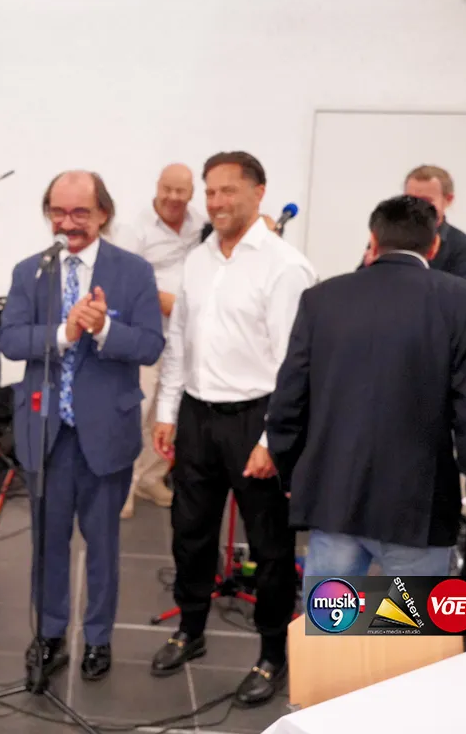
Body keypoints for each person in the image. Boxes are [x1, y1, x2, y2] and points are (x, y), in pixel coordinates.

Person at [150, 151, 315, 707]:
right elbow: (180, 340)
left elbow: (295, 365)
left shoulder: (285, 267)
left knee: (270, 547)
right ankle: (190, 629)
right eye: (211, 191)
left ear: (258, 193)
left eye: (228, 191)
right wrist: (168, 411)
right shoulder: (198, 260)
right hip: (197, 415)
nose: (216, 202)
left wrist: (272, 439)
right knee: (189, 533)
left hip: (256, 418)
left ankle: (272, 654)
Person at [268, 195, 466, 576]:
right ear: (434, 245)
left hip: (334, 498)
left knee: (333, 614)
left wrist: (293, 475)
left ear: (372, 240)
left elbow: (288, 401)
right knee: (406, 615)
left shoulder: (322, 299)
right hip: (418, 509)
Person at [0, 170, 164, 681]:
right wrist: (63, 333)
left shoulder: (133, 271)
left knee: (102, 546)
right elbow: (11, 340)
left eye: (79, 213)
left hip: (106, 434)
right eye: (58, 212)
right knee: (47, 545)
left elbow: (150, 346)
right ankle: (50, 634)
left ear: (103, 214)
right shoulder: (31, 271)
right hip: (47, 434)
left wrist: (105, 328)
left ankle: (97, 639)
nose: (67, 223)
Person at [114, 163, 206, 518]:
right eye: (167, 188)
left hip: (185, 339)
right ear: (157, 187)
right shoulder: (134, 230)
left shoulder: (200, 224)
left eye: (180, 191)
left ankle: (150, 479)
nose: (172, 197)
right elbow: (124, 282)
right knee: (135, 414)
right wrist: (163, 302)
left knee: (169, 417)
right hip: (146, 336)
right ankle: (122, 487)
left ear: (191, 193)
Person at [359, 165, 466, 283]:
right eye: (410, 199)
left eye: (426, 200)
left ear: (448, 200)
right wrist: (370, 267)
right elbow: (360, 284)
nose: (417, 206)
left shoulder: (465, 249)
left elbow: (463, 294)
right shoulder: (387, 234)